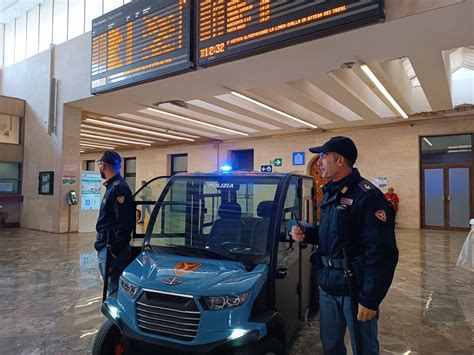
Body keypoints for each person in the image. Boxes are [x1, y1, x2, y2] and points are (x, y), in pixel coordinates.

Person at [290, 136, 398, 355]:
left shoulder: (367, 196)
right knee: (331, 346)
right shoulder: (331, 192)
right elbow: (332, 235)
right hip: (329, 285)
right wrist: (307, 234)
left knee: (364, 348)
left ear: (340, 160)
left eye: (322, 156)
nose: (319, 162)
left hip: (355, 289)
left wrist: (370, 299)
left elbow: (382, 253)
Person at [95, 151, 135, 297]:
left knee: (115, 290)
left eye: (99, 165)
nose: (99, 168)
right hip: (106, 244)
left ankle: (118, 319)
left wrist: (115, 249)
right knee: (112, 286)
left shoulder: (119, 188)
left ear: (104, 166)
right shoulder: (113, 186)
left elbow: (125, 222)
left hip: (112, 247)